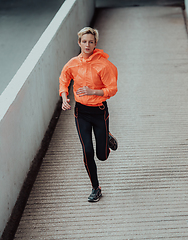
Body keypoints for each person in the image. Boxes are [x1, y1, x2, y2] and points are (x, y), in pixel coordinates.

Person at [59, 27, 118, 202]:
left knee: (102, 156)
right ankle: (95, 188)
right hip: (81, 112)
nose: (87, 45)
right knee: (87, 151)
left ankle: (106, 136)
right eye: (84, 41)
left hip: (99, 111)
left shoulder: (103, 65)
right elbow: (64, 80)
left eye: (91, 42)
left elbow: (112, 89)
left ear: (95, 44)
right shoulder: (72, 64)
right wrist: (64, 97)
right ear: (79, 43)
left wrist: (93, 91)